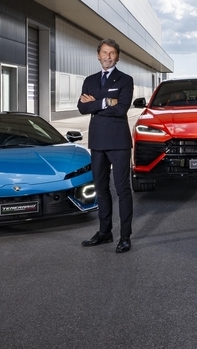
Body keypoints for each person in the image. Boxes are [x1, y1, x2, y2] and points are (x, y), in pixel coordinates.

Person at [77, 38, 135, 253]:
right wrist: (106, 101)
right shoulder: (90, 80)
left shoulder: (125, 80)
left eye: (112, 53)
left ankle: (125, 236)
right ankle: (104, 232)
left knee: (122, 190)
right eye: (104, 52)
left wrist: (95, 103)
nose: (108, 56)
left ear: (117, 56)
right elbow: (82, 108)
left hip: (118, 142)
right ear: (98, 55)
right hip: (97, 141)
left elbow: (121, 109)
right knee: (101, 189)